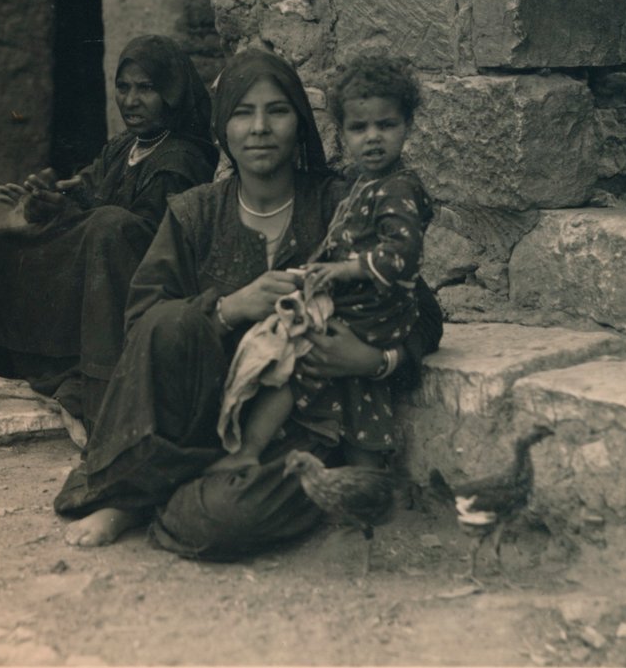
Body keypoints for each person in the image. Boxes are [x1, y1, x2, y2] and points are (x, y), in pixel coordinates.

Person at [55, 48, 443, 557]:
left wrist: (373, 360)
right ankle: (142, 494)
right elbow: (143, 324)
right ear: (223, 127)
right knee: (168, 324)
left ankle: (156, 494)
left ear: (299, 123)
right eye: (243, 113)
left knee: (221, 519)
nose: (260, 128)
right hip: (192, 419)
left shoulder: (340, 204)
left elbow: (421, 310)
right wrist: (229, 309)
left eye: (277, 111)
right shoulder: (195, 213)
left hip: (290, 426)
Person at [0, 35, 217, 431]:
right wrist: (44, 203)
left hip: (139, 283)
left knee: (108, 227)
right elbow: (85, 188)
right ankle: (12, 374)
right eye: (123, 87)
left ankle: (93, 379)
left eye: (146, 89)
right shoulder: (124, 147)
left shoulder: (181, 159)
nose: (131, 100)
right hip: (95, 259)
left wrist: (78, 209)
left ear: (171, 94)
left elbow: (140, 235)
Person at [212, 56, 433, 473]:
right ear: (342, 133)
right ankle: (255, 452)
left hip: (372, 314)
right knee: (325, 381)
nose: (373, 138)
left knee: (300, 362)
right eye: (359, 128)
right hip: (356, 308)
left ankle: (259, 453)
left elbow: (403, 258)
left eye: (386, 125)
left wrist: (343, 276)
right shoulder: (361, 186)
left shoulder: (395, 189)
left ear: (408, 125)